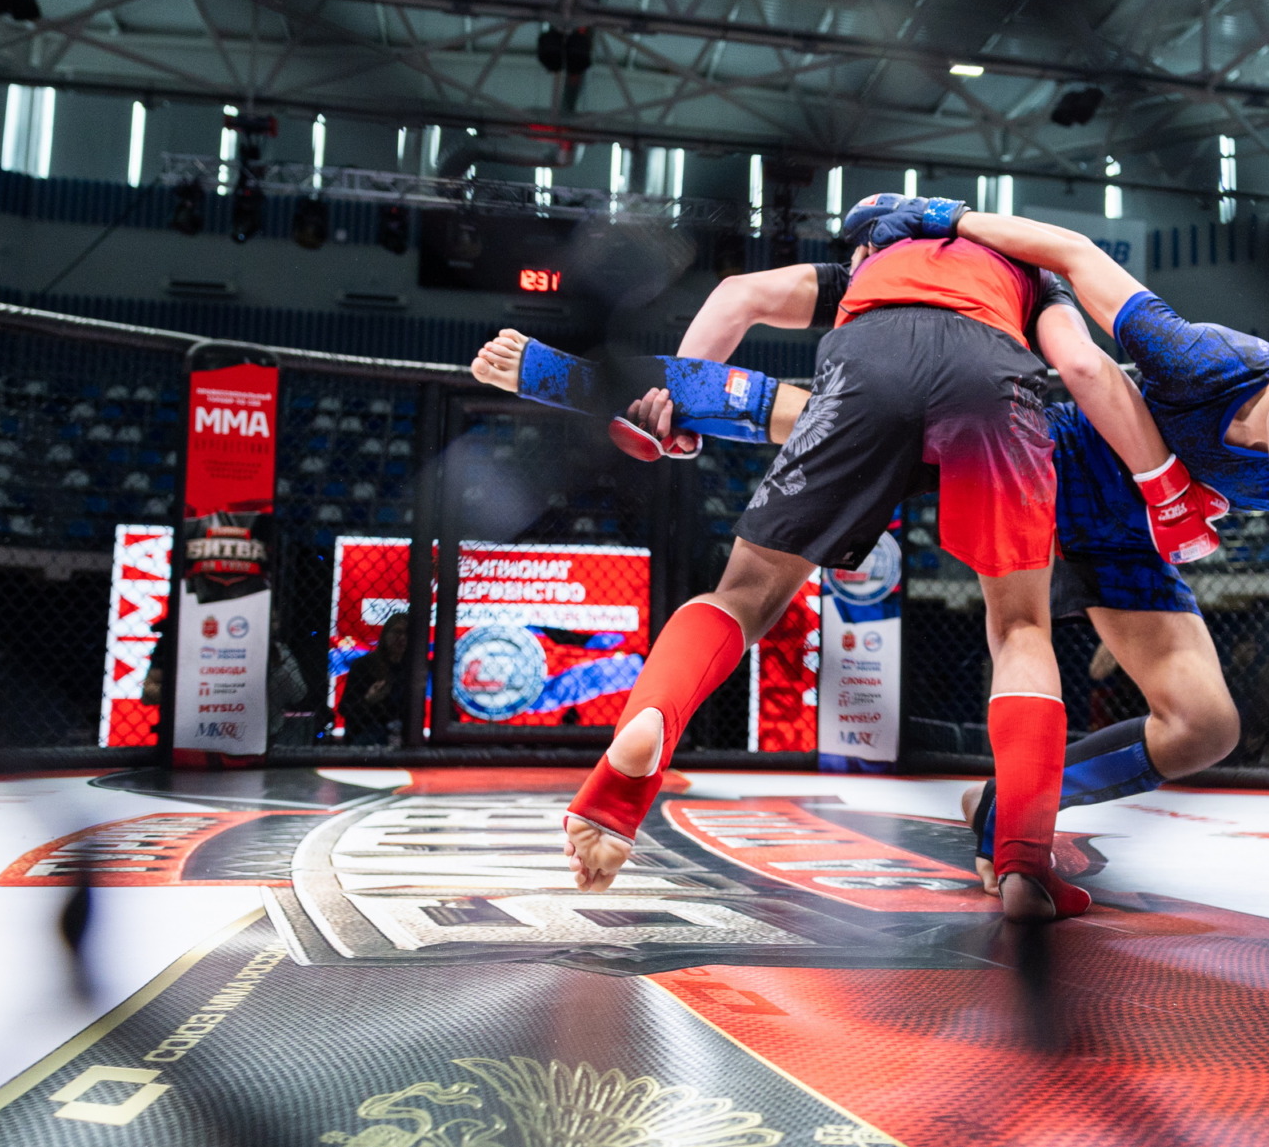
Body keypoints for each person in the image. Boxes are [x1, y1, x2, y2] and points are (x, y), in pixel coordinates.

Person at [488, 201, 1269, 871]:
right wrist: (959, 224)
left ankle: (1012, 809)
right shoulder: (1200, 356)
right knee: (900, 472)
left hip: (1125, 540)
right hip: (1060, 452)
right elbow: (1076, 276)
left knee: (1205, 726)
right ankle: (596, 382)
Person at [472, 197, 1220, 921]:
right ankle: (1023, 860)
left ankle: (630, 764)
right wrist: (1164, 487)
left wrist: (670, 405)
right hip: (995, 389)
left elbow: (738, 298)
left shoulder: (871, 266)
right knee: (1020, 628)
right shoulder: (1027, 271)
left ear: (871, 244)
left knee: (743, 594)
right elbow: (1085, 366)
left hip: (866, 376)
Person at [339, 611, 409, 744]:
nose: (402, 638)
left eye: (407, 633)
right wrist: (368, 700)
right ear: (385, 635)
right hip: (367, 733)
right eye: (397, 632)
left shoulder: (412, 668)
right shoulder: (364, 665)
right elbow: (345, 708)